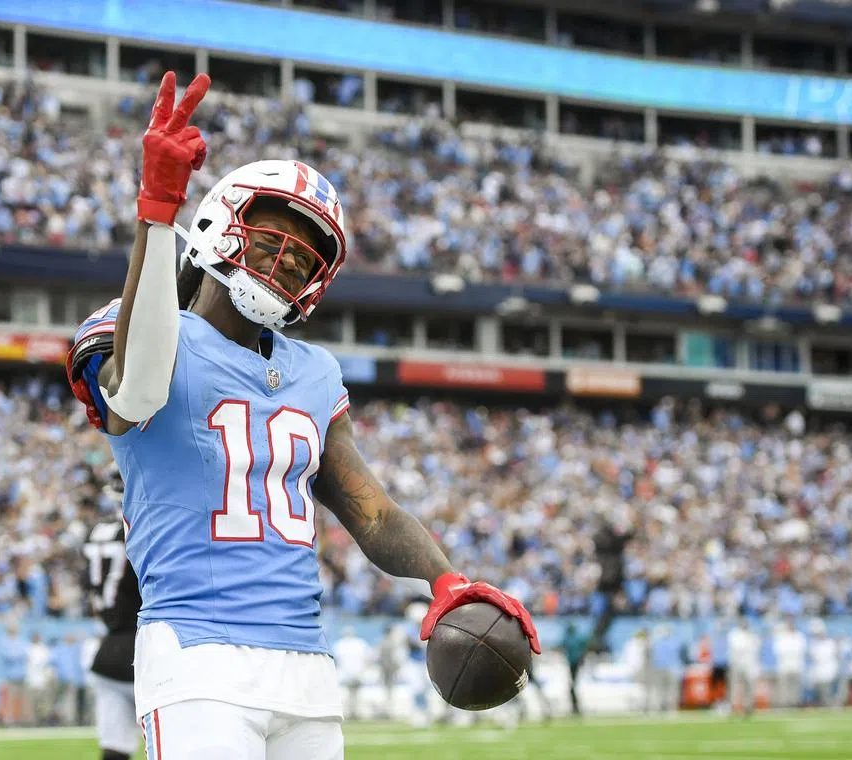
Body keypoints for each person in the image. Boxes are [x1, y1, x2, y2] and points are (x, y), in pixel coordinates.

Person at [66, 70, 539, 760]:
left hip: (306, 665)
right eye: (271, 242)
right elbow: (133, 393)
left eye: (305, 260)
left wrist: (445, 578)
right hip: (197, 653)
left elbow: (369, 511)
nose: (286, 266)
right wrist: (157, 210)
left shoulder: (314, 372)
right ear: (222, 225)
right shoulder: (142, 328)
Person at [84, 468, 145, 760]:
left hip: (107, 653)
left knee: (115, 749)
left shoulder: (97, 531)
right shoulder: (142, 527)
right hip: (146, 650)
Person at [727, 618, 761, 717]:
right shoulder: (734, 634)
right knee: (734, 686)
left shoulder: (752, 635)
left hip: (749, 664)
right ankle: (733, 706)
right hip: (737, 664)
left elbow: (757, 646)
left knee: (749, 686)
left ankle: (748, 706)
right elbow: (738, 648)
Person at [559, 623, 589, 716]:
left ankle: (576, 706)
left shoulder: (569, 638)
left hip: (574, 664)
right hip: (577, 663)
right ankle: (576, 706)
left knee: (573, 686)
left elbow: (562, 645)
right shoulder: (579, 637)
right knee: (573, 685)